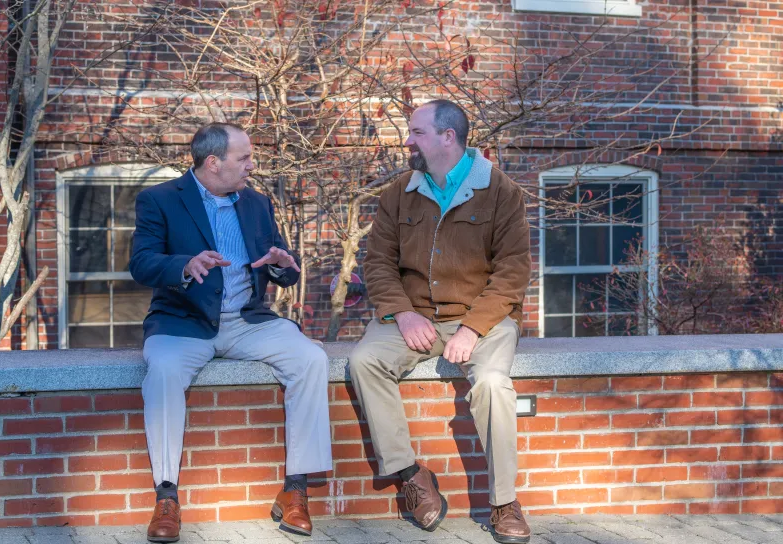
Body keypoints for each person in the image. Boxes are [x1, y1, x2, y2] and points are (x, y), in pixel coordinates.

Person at [129, 122, 332, 543]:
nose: (251, 166)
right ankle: (166, 497)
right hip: (183, 323)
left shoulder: (256, 203)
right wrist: (184, 265)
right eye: (244, 158)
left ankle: (295, 490)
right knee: (163, 371)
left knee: (311, 358)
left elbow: (281, 268)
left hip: (247, 321)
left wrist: (282, 265)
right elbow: (142, 263)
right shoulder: (160, 199)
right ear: (213, 162)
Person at [349, 100, 531, 544]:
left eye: (416, 132)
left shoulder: (500, 191)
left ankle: (504, 502)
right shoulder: (399, 192)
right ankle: (410, 476)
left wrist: (472, 328)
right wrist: (402, 312)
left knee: (492, 384)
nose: (407, 141)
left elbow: (512, 272)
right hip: (414, 315)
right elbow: (378, 263)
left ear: (448, 137)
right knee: (364, 361)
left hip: (483, 317)